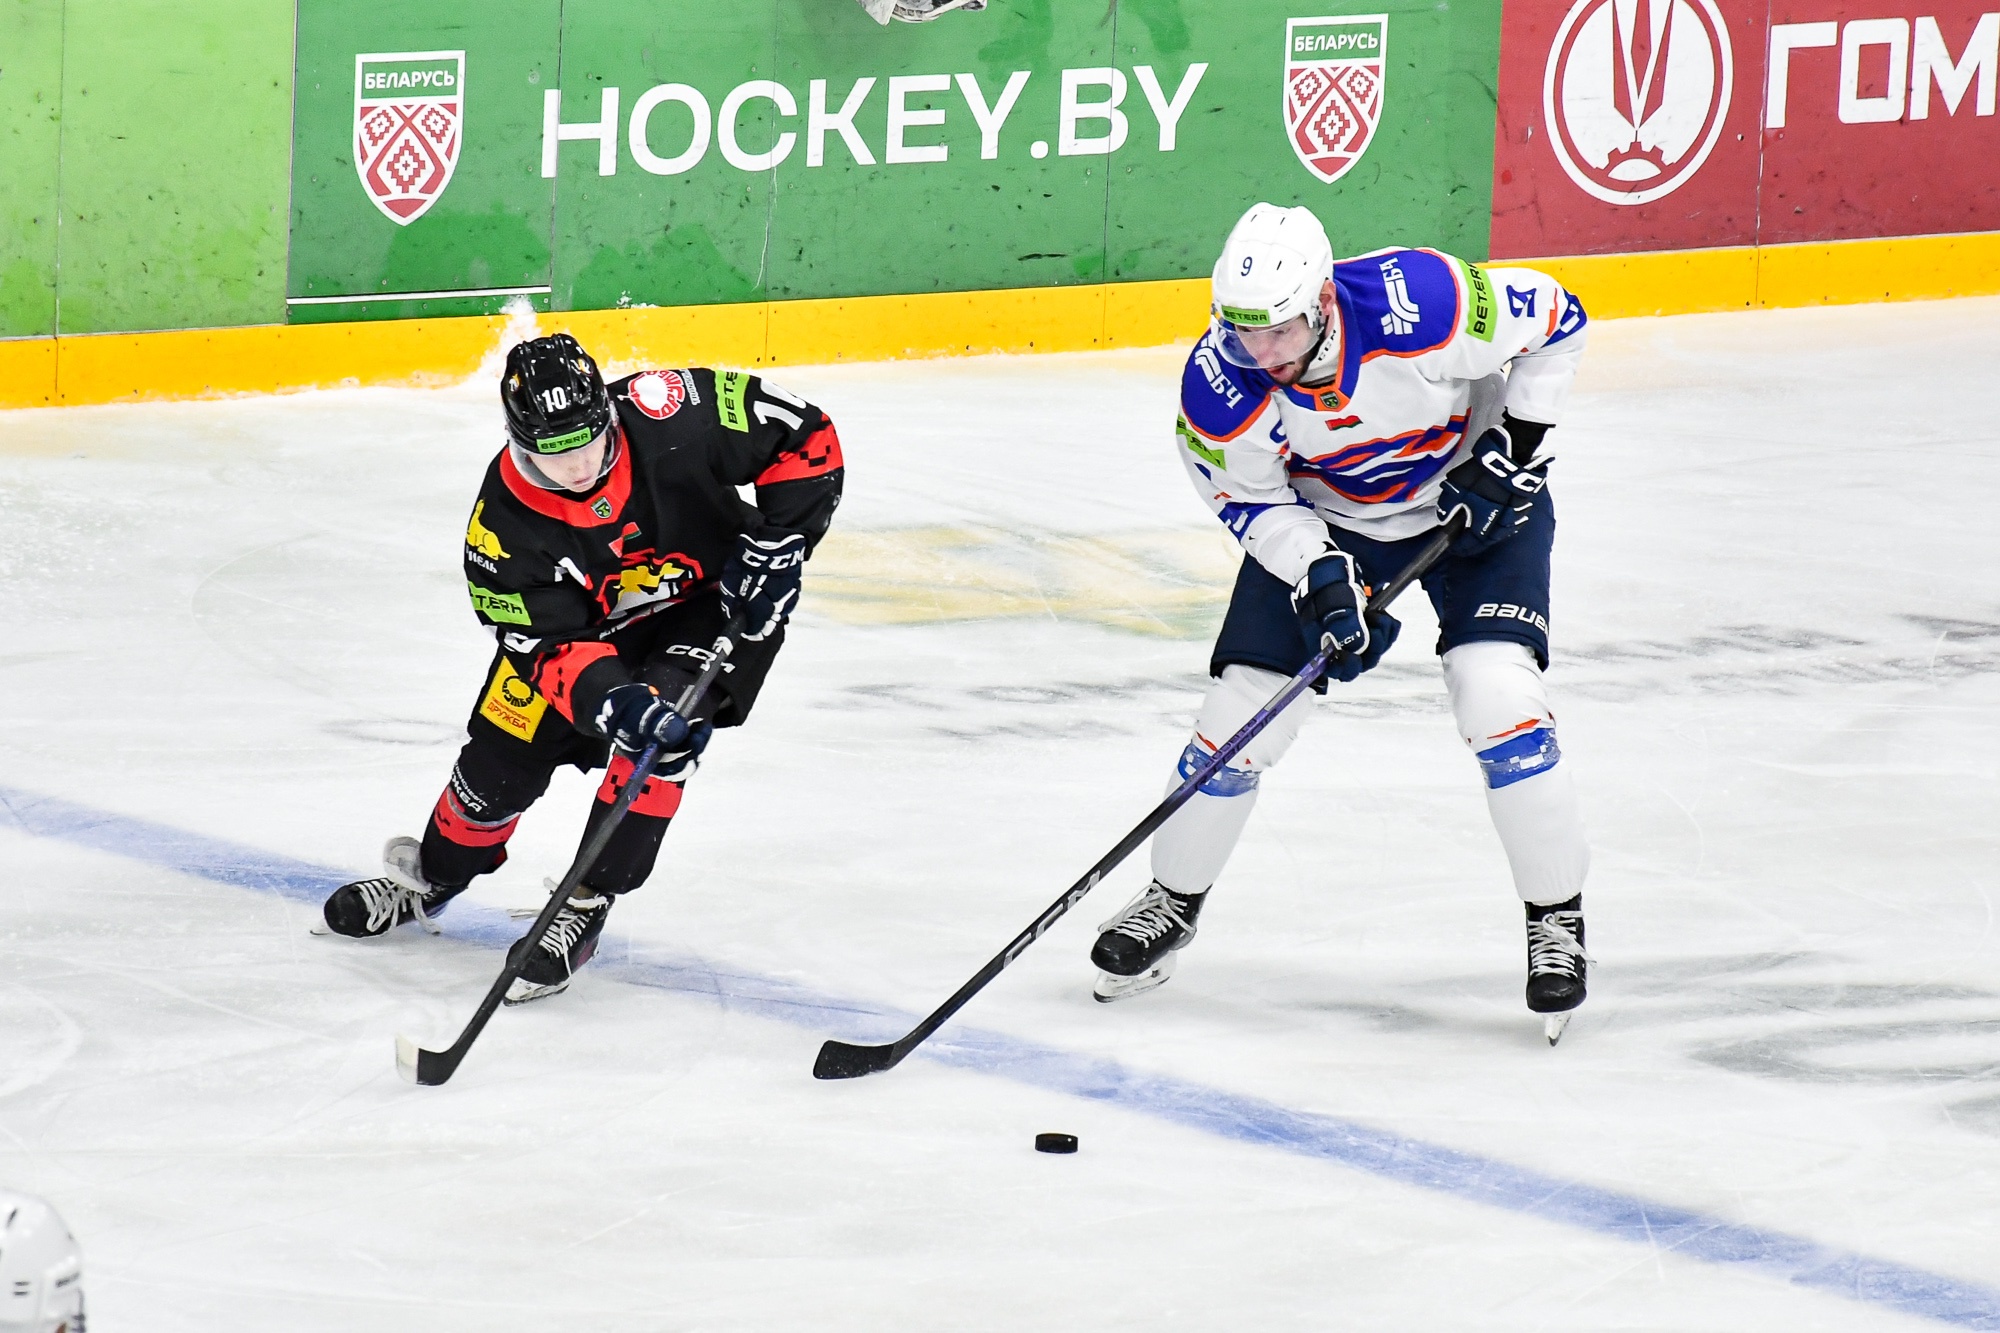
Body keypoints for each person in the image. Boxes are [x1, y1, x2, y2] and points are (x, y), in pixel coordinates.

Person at [1090, 203, 1592, 1035]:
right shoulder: (1220, 384)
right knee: (1241, 711)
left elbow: (1558, 319)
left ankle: (1557, 920)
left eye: (1282, 331)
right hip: (1332, 522)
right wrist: (1318, 571)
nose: (1265, 354)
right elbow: (1252, 500)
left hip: (1473, 504)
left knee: (1498, 697)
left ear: (1323, 298)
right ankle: (1172, 899)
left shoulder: (1422, 300)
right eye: (1245, 333)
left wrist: (1517, 444)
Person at [319, 334, 844, 1003]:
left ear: (607, 413)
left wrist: (781, 540)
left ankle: (586, 902)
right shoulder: (501, 526)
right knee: (494, 773)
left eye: (587, 442)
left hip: (710, 604)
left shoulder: (670, 412)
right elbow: (542, 643)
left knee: (659, 745)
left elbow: (805, 434)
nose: (576, 465)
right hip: (582, 640)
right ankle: (436, 876)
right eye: (553, 451)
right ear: (517, 439)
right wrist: (611, 700)